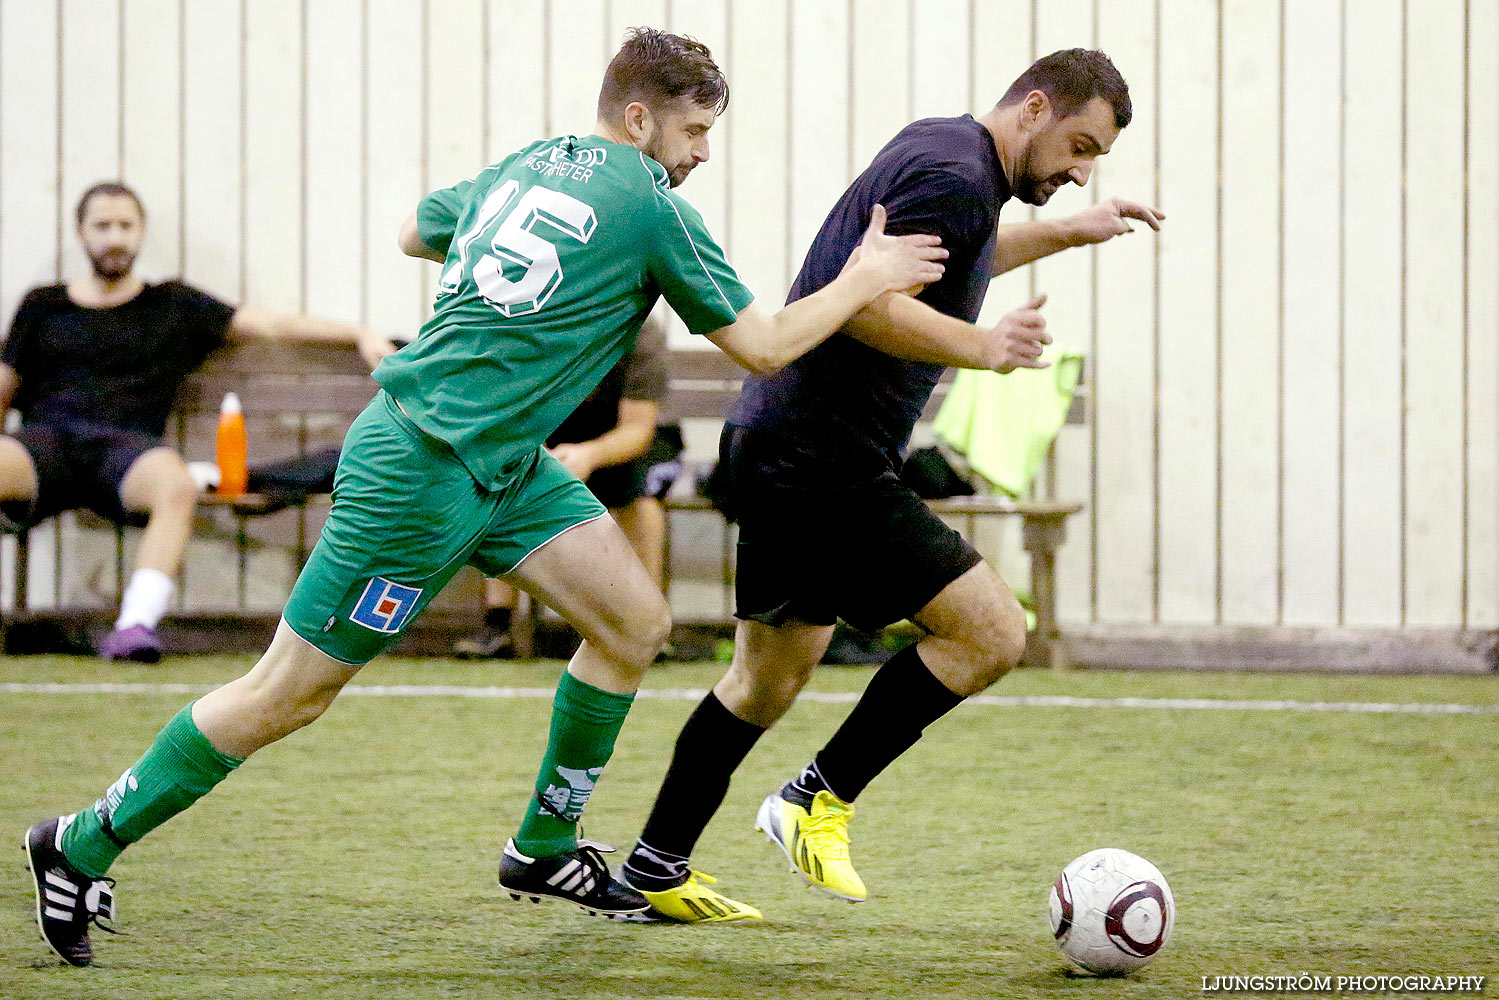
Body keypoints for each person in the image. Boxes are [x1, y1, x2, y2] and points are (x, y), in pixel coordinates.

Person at [21, 27, 946, 966]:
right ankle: (81, 840)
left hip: (502, 462)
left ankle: (542, 846)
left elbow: (415, 230)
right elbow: (764, 344)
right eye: (694, 130)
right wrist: (864, 277)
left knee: (633, 623)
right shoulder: (649, 203)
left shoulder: (533, 162)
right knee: (287, 694)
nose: (701, 152)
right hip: (419, 469)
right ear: (639, 117)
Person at [617, 48, 1165, 923]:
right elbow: (866, 301)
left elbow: (955, 264)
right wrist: (986, 350)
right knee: (989, 631)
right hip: (822, 458)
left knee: (762, 682)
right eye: (1077, 144)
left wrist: (1070, 227)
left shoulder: (949, 149)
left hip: (781, 440)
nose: (1077, 169)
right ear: (1033, 108)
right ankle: (812, 801)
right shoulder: (956, 175)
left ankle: (651, 867)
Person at [0, 181, 395, 663]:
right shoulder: (43, 304)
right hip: (45, 444)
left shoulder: (174, 304)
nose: (114, 237)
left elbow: (270, 324)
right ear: (81, 234)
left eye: (125, 225)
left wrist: (358, 332)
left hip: (128, 452)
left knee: (177, 486)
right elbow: (4, 385)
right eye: (101, 226)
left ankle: (134, 628)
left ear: (141, 232)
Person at [454, 317, 670, 660]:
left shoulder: (639, 331)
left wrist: (589, 455)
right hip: (542, 430)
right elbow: (505, 413)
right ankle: (498, 627)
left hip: (614, 441)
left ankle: (648, 629)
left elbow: (637, 430)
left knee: (640, 499)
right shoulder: (530, 320)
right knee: (500, 482)